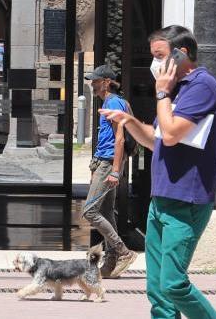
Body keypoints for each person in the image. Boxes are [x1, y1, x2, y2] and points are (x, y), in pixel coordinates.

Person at [100, 25, 216, 319]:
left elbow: (170, 134)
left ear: (181, 55)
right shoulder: (176, 90)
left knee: (173, 284)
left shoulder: (202, 87)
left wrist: (160, 93)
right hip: (162, 200)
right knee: (158, 292)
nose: (154, 64)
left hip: (186, 202)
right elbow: (156, 140)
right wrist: (129, 121)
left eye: (160, 56)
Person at [81, 64, 138, 278]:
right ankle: (111, 261)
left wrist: (115, 170)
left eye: (95, 81)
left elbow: (120, 138)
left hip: (107, 163)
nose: (92, 85)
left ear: (106, 82)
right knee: (105, 212)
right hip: (102, 162)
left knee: (89, 211)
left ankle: (123, 252)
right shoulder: (111, 102)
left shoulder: (114, 102)